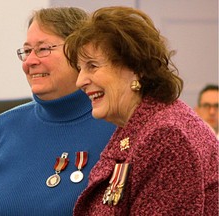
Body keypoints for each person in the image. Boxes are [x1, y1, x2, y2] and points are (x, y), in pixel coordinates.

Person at [0, 7, 116, 216]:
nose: (29, 62)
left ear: (81, 53)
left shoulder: (117, 127)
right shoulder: (1, 128)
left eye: (43, 49)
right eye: (27, 51)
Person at [64, 6, 219, 215]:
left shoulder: (167, 136)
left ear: (136, 69)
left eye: (92, 66)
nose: (80, 80)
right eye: (80, 68)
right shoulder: (144, 124)